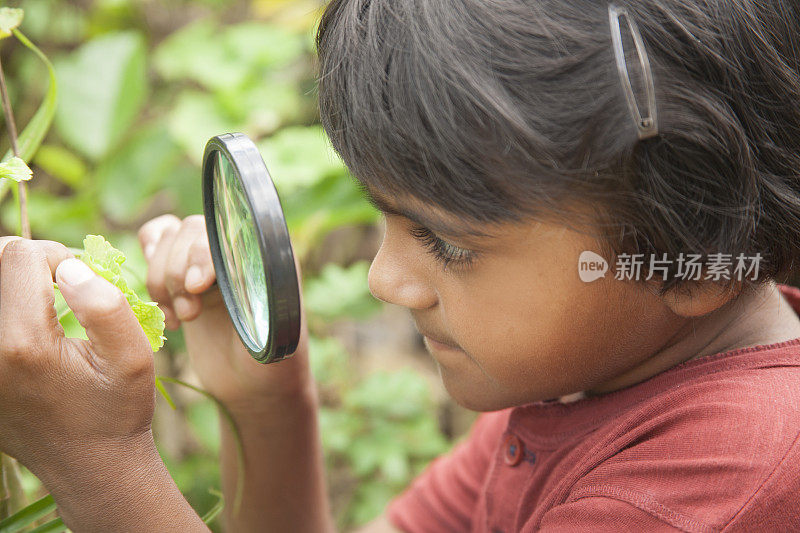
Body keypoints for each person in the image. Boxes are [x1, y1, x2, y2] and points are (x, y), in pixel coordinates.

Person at [1, 0, 800, 531]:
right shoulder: (603, 377)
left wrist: (94, 461)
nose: (388, 279)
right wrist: (267, 399)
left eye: (446, 241)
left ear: (694, 255)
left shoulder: (719, 480)